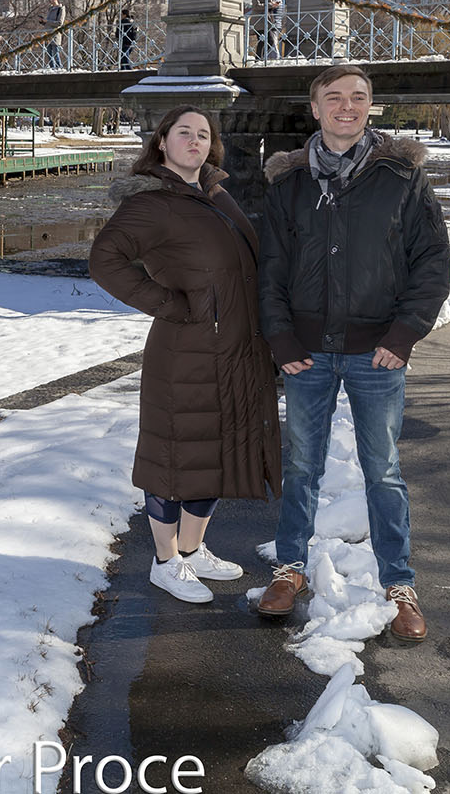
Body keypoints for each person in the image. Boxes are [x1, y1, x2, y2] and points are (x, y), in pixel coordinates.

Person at [254, 63, 450, 642]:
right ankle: (289, 569)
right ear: (314, 109)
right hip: (306, 353)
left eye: (358, 97)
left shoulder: (402, 177)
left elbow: (431, 262)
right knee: (301, 466)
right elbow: (271, 270)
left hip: (377, 353)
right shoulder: (288, 184)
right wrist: (281, 338)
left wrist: (403, 334)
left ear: (370, 107)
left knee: (383, 470)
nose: (347, 106)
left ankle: (399, 584)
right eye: (334, 97)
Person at [89, 106, 281, 604]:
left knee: (210, 454)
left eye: (203, 134)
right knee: (172, 458)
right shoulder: (151, 201)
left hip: (233, 349)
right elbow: (105, 260)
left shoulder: (214, 193)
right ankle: (165, 561)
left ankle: (193, 551)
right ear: (162, 142)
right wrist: (172, 305)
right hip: (185, 353)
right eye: (184, 132)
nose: (195, 140)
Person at [41, 0, 66, 68]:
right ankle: (52, 69)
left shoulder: (61, 9)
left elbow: (59, 23)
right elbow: (48, 22)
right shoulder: (50, 9)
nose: (49, 0)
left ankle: (59, 69)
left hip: (55, 35)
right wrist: (43, 21)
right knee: (49, 55)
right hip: (48, 35)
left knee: (56, 55)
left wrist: (47, 21)